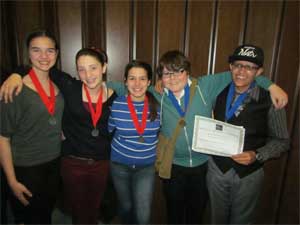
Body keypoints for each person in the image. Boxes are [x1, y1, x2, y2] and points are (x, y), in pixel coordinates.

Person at [0, 47, 117, 224]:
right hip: (72, 163)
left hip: (101, 164)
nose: (88, 74)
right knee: (78, 211)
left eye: (93, 67)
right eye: (81, 69)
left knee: (93, 209)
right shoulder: (70, 86)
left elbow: (138, 88)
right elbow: (42, 66)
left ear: (104, 67)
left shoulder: (115, 96)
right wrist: (17, 73)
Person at [206, 45, 290, 224]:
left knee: (242, 221)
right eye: (237, 65)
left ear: (259, 71)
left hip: (249, 174)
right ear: (230, 67)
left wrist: (257, 155)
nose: (241, 71)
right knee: (216, 219)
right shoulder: (217, 92)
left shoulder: (271, 100)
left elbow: (282, 141)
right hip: (217, 169)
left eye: (249, 67)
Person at [0, 30, 64, 224]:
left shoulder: (58, 85)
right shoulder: (15, 88)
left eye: (50, 51)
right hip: (26, 168)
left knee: (46, 215)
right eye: (36, 50)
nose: (44, 56)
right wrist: (11, 181)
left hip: (54, 164)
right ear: (28, 53)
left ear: (57, 54)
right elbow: (2, 138)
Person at [108, 60, 160, 224]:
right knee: (126, 207)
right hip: (119, 165)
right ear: (125, 81)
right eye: (132, 78)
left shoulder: (159, 106)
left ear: (149, 82)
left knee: (143, 213)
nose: (137, 84)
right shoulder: (116, 104)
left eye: (142, 78)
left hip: (146, 166)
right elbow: (109, 130)